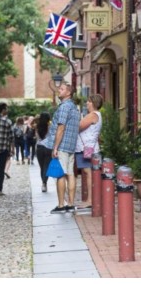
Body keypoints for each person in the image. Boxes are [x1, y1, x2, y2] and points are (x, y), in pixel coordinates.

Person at [43, 82, 80, 214]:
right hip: (71, 145)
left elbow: (61, 127)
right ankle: (70, 203)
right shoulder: (74, 107)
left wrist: (55, 147)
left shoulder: (64, 107)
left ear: (68, 93)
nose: (59, 90)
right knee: (70, 174)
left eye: (62, 89)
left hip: (63, 145)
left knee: (60, 174)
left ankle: (60, 205)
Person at [75, 94, 103, 209]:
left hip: (87, 147)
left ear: (94, 103)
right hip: (89, 146)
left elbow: (79, 126)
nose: (87, 103)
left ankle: (90, 200)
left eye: (89, 101)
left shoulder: (92, 115)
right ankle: (90, 199)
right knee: (88, 172)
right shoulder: (96, 115)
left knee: (89, 172)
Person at [36, 112, 52, 192]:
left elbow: (37, 137)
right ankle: (44, 183)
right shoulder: (50, 126)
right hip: (48, 148)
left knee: (42, 167)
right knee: (46, 167)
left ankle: (43, 183)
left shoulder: (37, 126)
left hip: (39, 148)